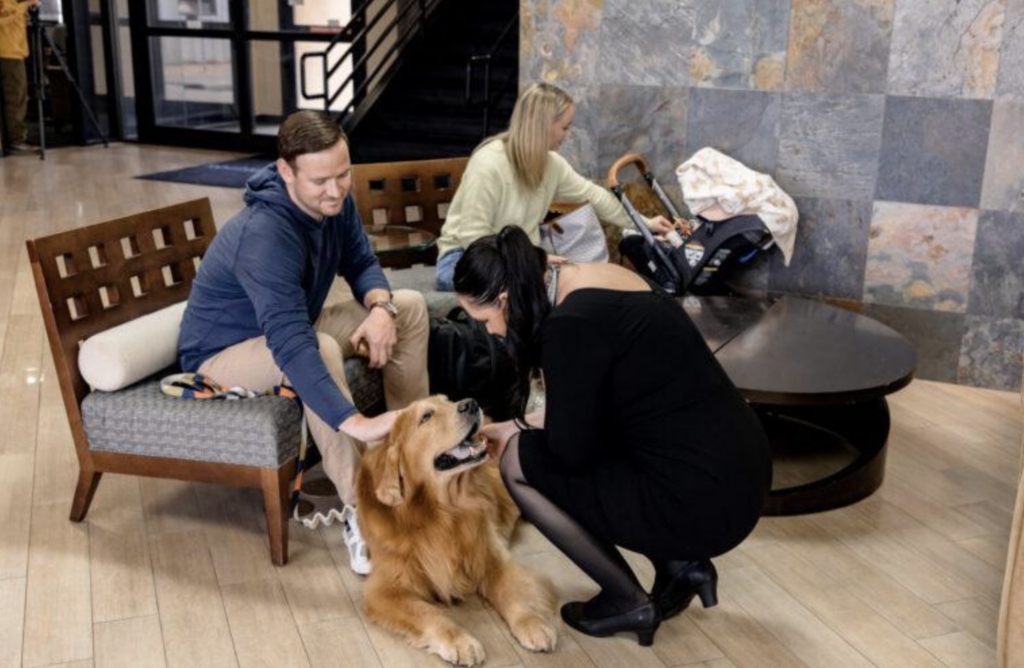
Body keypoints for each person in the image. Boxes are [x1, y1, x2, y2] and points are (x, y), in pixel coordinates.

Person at [454, 226, 771, 645]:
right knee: (556, 441)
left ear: (504, 299)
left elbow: (571, 452)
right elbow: (603, 404)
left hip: (702, 501)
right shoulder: (601, 278)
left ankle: (628, 601)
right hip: (739, 467)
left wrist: (517, 436)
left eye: (485, 321)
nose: (492, 333)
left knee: (518, 462)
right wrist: (514, 424)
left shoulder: (569, 327)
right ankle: (680, 566)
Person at [178, 110, 430, 575]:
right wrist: (355, 422)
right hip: (222, 355)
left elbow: (361, 262)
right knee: (320, 348)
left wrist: (380, 308)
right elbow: (292, 344)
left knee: (409, 306)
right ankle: (362, 508)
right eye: (320, 181)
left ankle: (409, 463)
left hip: (296, 326)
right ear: (286, 171)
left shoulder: (335, 203)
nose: (335, 190)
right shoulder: (265, 235)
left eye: (343, 174)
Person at [434, 82, 673, 290]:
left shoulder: (552, 165)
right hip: (464, 259)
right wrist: (532, 262)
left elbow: (597, 197)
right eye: (565, 127)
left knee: (579, 282)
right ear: (542, 126)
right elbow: (474, 238)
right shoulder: (488, 163)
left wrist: (645, 224)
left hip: (520, 258)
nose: (567, 135)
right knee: (549, 288)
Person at [0, 0, 40, 153]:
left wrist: (24, 12)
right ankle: (17, 139)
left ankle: (14, 138)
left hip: (16, 51)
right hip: (8, 52)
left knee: (18, 96)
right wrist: (22, 7)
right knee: (16, 97)